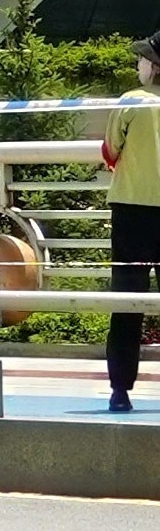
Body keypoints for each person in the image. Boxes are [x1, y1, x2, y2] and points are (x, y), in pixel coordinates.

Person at [99, 36, 160, 415]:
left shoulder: (132, 102)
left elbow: (110, 151)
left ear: (154, 67)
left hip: (132, 213)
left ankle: (121, 389)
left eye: (143, 59)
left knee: (126, 300)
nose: (138, 64)